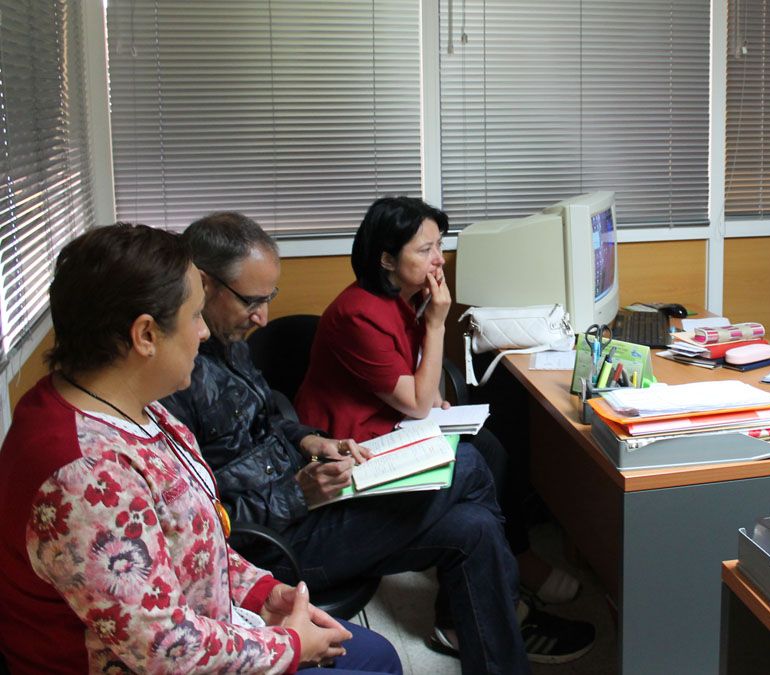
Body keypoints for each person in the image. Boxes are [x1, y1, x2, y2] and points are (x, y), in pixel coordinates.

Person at [162, 212, 593, 673]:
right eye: (252, 300)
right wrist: (298, 492)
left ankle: (496, 646)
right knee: (468, 464)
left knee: (474, 527)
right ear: (203, 284)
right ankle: (512, 598)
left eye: (270, 298)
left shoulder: (228, 340)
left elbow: (270, 414)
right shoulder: (174, 376)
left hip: (307, 494)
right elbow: (206, 522)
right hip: (275, 543)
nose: (263, 317)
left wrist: (312, 441)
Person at [0, 224, 402, 674]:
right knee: (373, 664)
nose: (204, 333)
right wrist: (288, 647)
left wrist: (263, 594)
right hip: (158, 659)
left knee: (376, 654)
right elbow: (164, 648)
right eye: (195, 316)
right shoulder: (85, 476)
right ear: (146, 335)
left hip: (210, 622)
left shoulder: (139, 408)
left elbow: (196, 535)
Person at [292, 197, 582, 607]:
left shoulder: (403, 299)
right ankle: (501, 571)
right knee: (474, 464)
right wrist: (437, 322)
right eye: (425, 250)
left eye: (439, 246)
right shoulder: (359, 313)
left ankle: (509, 562)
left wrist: (434, 399)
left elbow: (424, 387)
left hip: (390, 424)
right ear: (387, 259)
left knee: (492, 447)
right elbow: (416, 400)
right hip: (350, 448)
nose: (439, 260)